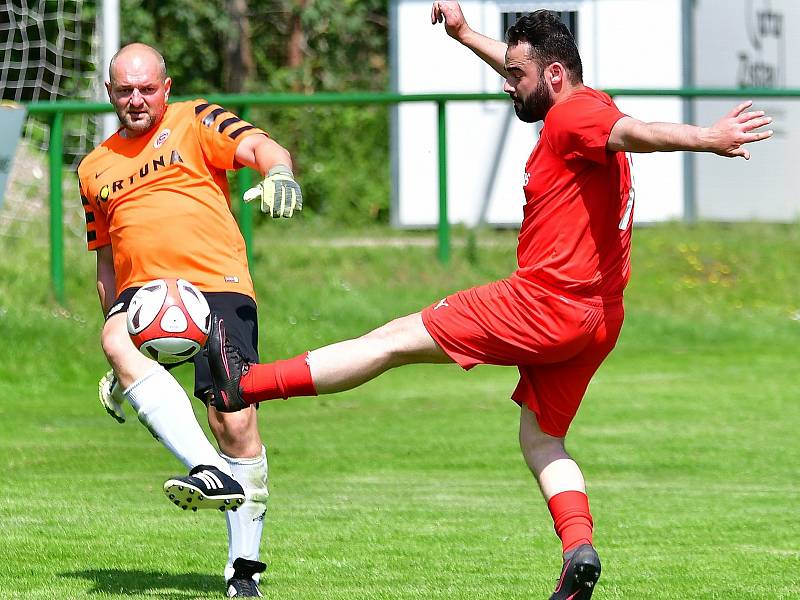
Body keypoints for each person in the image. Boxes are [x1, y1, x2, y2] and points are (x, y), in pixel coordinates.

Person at [207, 4, 772, 599]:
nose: (507, 83)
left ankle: (243, 385)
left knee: (392, 341)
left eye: (517, 75)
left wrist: (708, 139)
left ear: (554, 76)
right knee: (541, 439)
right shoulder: (585, 97)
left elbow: (635, 133)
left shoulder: (576, 116)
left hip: (544, 302)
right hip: (599, 318)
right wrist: (461, 35)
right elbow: (553, 87)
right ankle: (578, 550)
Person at [78, 43, 302, 598]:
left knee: (235, 422)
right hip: (145, 299)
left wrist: (279, 172)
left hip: (216, 287)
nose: (136, 99)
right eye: (125, 90)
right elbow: (105, 256)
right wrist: (116, 329)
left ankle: (243, 571)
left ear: (166, 88)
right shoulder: (93, 168)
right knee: (113, 334)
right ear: (109, 94)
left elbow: (259, 144)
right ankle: (209, 469)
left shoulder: (195, 119)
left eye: (146, 88)